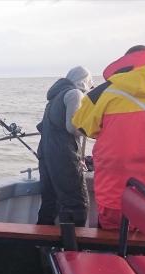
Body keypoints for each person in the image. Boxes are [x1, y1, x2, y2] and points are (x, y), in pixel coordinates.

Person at [72, 45, 145, 230]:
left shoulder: (105, 91)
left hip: (114, 191)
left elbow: (80, 126)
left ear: (127, 61)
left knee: (112, 242)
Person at [36, 66, 93, 227]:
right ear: (85, 81)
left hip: (46, 155)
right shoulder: (75, 94)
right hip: (64, 157)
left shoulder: (54, 97)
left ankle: (42, 245)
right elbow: (72, 127)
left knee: (49, 201)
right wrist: (91, 127)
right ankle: (73, 248)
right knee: (76, 204)